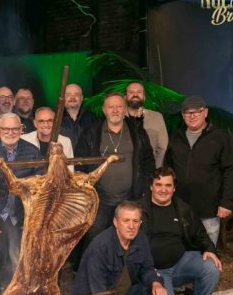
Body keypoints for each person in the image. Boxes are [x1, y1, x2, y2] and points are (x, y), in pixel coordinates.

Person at [71, 201, 167, 295]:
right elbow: (99, 292)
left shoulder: (140, 238)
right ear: (116, 222)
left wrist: (156, 283)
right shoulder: (101, 246)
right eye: (126, 221)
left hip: (117, 294)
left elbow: (147, 268)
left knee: (156, 288)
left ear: (140, 223)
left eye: (135, 221)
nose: (131, 226)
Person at [140, 167, 221, 295]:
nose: (163, 190)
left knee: (211, 267)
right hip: (154, 270)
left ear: (174, 188)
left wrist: (209, 249)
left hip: (180, 262)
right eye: (159, 185)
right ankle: (147, 293)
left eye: (168, 185)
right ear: (151, 186)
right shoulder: (140, 210)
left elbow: (200, 233)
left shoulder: (183, 208)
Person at [0, 113, 43, 295]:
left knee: (20, 256)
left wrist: (30, 219)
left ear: (21, 130)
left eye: (14, 129)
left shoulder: (33, 152)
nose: (10, 132)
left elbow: (40, 188)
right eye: (6, 129)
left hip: (21, 214)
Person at [75, 93, 155, 255]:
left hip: (131, 197)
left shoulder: (137, 131)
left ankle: (129, 269)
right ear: (104, 110)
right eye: (111, 107)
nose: (115, 110)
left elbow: (148, 161)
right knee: (93, 239)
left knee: (132, 240)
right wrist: (87, 191)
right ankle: (89, 268)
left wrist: (144, 188)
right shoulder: (91, 132)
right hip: (100, 199)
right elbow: (80, 164)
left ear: (125, 109)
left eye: (119, 106)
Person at [164, 96, 233, 245]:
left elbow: (231, 171)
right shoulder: (175, 137)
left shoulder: (220, 137)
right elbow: (168, 170)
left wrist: (226, 202)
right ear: (182, 115)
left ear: (205, 112)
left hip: (209, 209)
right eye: (187, 112)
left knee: (207, 251)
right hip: (180, 208)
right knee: (181, 251)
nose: (192, 116)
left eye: (197, 112)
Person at [125, 82, 168, 167]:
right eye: (131, 92)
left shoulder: (157, 117)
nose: (135, 95)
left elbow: (163, 148)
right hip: (125, 170)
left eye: (139, 92)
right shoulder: (118, 118)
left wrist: (156, 170)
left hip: (150, 169)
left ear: (144, 97)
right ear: (125, 97)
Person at [60, 83, 97, 152]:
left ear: (81, 98)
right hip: (63, 157)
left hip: (87, 158)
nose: (72, 98)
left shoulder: (93, 118)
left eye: (76, 94)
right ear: (63, 98)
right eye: (68, 94)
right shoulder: (55, 118)